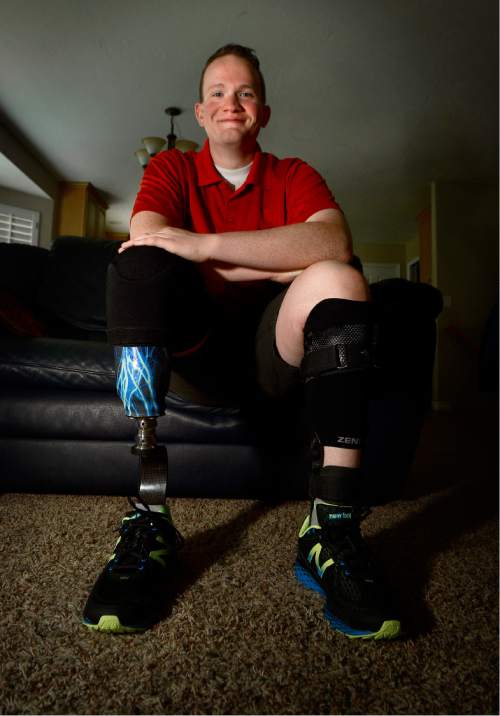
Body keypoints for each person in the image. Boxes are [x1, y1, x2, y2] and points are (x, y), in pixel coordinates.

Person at [82, 44, 401, 640]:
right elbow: (149, 242)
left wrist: (204, 248)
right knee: (134, 268)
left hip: (273, 354)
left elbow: (331, 246)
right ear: (200, 113)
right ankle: (148, 515)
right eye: (219, 94)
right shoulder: (170, 169)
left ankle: (331, 524)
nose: (233, 103)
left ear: (265, 111)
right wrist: (279, 260)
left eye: (246, 92)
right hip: (194, 354)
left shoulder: (294, 173)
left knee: (340, 279)